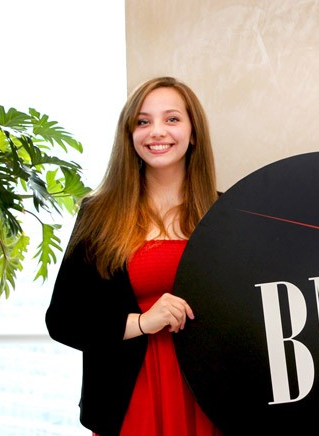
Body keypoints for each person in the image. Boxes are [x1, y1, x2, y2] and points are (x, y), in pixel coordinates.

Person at [45, 76, 221, 436]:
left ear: (194, 133)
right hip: (128, 400)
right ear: (130, 136)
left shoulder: (225, 212)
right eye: (143, 121)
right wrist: (142, 322)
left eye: (172, 119)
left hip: (211, 395)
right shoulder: (99, 215)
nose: (157, 131)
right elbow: (63, 321)